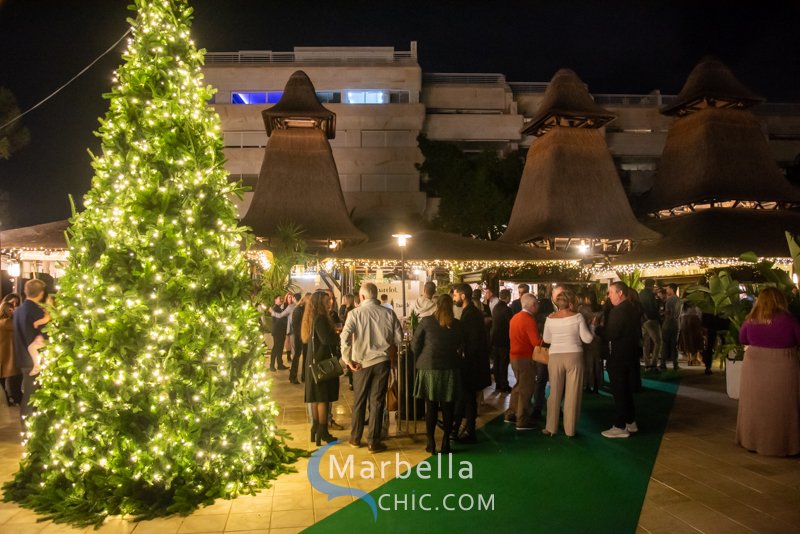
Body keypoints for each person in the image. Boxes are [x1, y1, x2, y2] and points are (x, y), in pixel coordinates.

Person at [737, 287, 800, 456]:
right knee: (782, 404)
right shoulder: (788, 320)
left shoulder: (751, 320)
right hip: (783, 364)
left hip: (754, 365)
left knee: (755, 403)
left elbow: (743, 338)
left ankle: (752, 440)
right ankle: (782, 444)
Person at [340, 282, 403, 453]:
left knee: (359, 400)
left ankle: (355, 438)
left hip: (360, 363)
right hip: (382, 362)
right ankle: (373, 442)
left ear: (361, 297)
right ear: (376, 295)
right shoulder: (389, 313)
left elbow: (344, 337)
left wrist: (347, 359)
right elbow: (399, 338)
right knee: (377, 402)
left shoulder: (354, 314)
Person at [412, 294, 465, 454]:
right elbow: (460, 344)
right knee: (448, 407)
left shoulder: (426, 321)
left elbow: (415, 345)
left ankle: (430, 442)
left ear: (436, 305)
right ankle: (446, 443)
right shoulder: (457, 324)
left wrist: (424, 356)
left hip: (429, 368)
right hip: (450, 369)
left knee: (431, 407)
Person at [543, 290, 594, 437]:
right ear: (570, 302)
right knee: (573, 394)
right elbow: (587, 339)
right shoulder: (577, 317)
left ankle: (551, 427)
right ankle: (570, 430)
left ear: (557, 303)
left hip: (555, 356)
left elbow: (547, 339)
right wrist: (592, 327)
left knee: (554, 393)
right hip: (574, 355)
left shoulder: (550, 318)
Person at [601, 282, 642, 438]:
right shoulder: (632, 308)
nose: (609, 296)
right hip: (629, 354)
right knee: (625, 390)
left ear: (620, 293)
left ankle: (620, 426)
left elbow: (611, 333)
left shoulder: (619, 311)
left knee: (619, 391)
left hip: (619, 355)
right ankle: (630, 422)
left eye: (611, 292)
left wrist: (597, 329)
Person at [452, 283, 491, 443]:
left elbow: (473, 341)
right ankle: (460, 428)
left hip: (472, 363)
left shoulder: (470, 314)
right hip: (473, 362)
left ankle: (468, 432)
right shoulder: (470, 312)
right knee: (466, 397)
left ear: (463, 296)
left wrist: (465, 357)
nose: (454, 298)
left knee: (468, 397)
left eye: (455, 295)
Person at [302, 291, 340, 445]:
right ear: (319, 303)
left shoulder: (311, 318)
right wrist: (338, 336)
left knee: (315, 397)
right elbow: (326, 339)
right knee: (323, 398)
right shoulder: (321, 318)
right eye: (326, 301)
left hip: (313, 361)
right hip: (322, 363)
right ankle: (323, 431)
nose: (329, 302)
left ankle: (315, 429)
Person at [14, 279, 50, 429]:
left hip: (22, 357)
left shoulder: (19, 310)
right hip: (35, 360)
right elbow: (45, 333)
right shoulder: (36, 311)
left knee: (28, 393)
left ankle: (28, 426)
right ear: (41, 294)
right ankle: (28, 428)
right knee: (31, 395)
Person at [504, 293, 543, 430]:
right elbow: (536, 342)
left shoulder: (515, 317)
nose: (538, 306)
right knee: (526, 388)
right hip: (525, 358)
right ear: (532, 305)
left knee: (518, 386)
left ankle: (511, 414)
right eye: (537, 303)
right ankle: (522, 420)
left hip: (514, 356)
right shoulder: (529, 319)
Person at [577, 291, 603, 393]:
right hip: (597, 338)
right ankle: (596, 384)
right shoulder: (600, 309)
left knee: (587, 362)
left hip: (586, 338)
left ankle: (587, 384)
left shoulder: (581, 309)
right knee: (596, 362)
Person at [0, 293, 22, 407]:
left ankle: (10, 399)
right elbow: (20, 326)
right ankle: (15, 398)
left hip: (6, 354)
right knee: (13, 378)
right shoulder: (6, 322)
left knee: (6, 379)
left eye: (16, 304)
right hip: (7, 355)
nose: (14, 306)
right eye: (12, 305)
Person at [490, 289, 513, 393]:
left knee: (497, 362)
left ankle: (498, 384)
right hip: (504, 339)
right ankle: (504, 385)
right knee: (503, 363)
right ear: (507, 297)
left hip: (495, 338)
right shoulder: (506, 309)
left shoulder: (496, 308)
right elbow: (511, 325)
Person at [639, 279, 662, 371]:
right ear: (652, 285)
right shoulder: (651, 295)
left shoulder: (640, 294)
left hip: (643, 321)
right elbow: (654, 308)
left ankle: (647, 363)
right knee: (658, 342)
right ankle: (653, 363)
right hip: (652, 320)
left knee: (646, 342)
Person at [289, 293, 309, 384]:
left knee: (305, 356)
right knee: (297, 356)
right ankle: (293, 377)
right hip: (299, 336)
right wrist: (301, 335)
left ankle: (304, 376)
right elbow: (295, 325)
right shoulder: (298, 310)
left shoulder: (305, 309)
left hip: (304, 336)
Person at [661, 283, 681, 370]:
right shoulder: (679, 300)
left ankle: (663, 364)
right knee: (674, 345)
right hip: (676, 324)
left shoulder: (669, 300)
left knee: (665, 344)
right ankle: (675, 364)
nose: (666, 290)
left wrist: (662, 313)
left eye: (668, 288)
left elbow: (668, 312)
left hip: (668, 324)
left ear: (672, 289)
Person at [679, 301, 704, 366]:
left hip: (684, 321)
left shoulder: (683, 304)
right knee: (695, 340)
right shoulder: (695, 302)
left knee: (687, 340)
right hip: (694, 320)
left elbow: (680, 313)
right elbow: (699, 313)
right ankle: (695, 359)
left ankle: (689, 359)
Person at [269, 294, 290, 371]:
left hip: (281, 331)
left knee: (280, 348)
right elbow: (279, 319)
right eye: (279, 298)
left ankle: (280, 364)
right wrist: (287, 321)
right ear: (275, 300)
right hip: (277, 331)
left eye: (281, 298)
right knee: (276, 348)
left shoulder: (279, 308)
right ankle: (271, 365)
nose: (281, 299)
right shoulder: (275, 308)